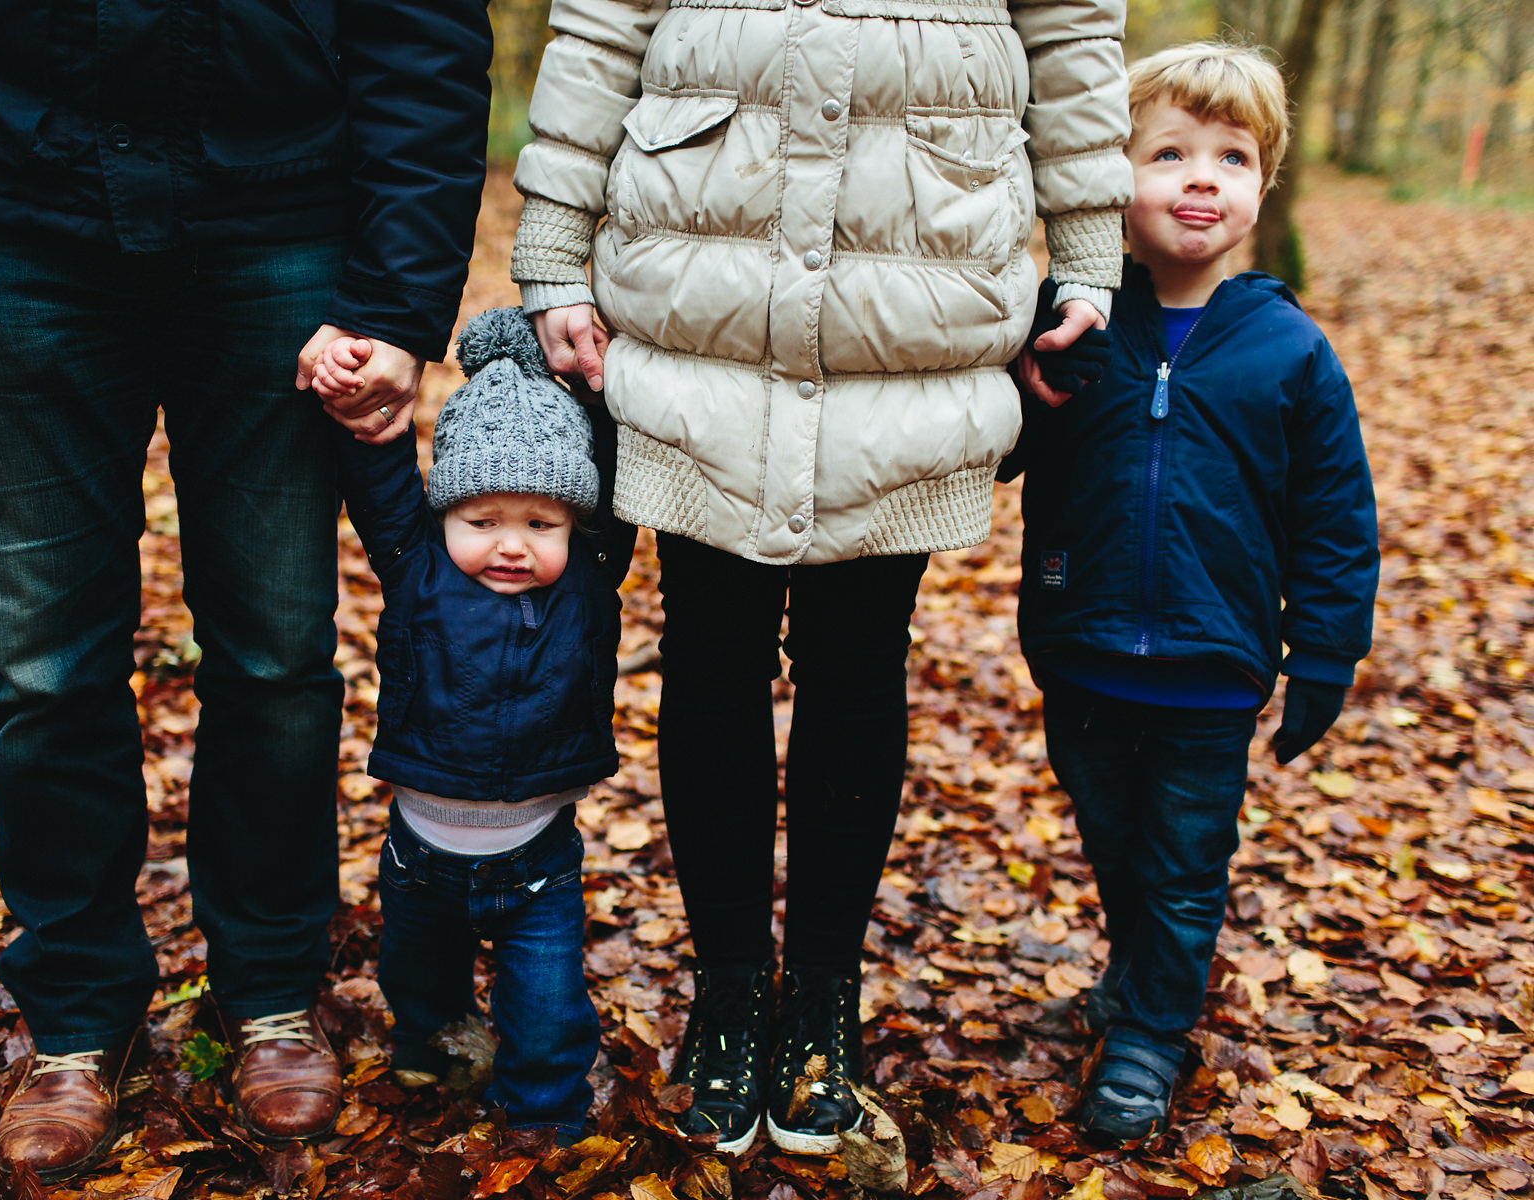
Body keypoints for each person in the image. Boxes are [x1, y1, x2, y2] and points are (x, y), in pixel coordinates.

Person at [0, 0, 491, 1181]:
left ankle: (271, 996)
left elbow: (424, 27)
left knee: (278, 655)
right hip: (8, 215)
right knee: (44, 667)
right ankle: (78, 1016)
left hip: (282, 214)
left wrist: (398, 295)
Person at [507, 0, 1136, 1156]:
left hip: (921, 286)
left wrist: (1092, 245)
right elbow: (601, 20)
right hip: (701, 272)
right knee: (709, 658)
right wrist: (553, 243)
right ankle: (733, 990)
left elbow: (1075, 29)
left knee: (856, 671)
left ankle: (822, 1005)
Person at [1003, 42, 1380, 1144]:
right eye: (1168, 153)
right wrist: (1027, 386)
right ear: (1114, 180)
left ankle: (1151, 1035)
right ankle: (1144, 977)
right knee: (1114, 841)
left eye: (1232, 156)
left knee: (1183, 864)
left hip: (1216, 666)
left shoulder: (1289, 351)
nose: (1200, 177)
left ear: (1263, 188)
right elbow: (993, 450)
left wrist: (1322, 654)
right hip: (1081, 645)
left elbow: (1335, 522)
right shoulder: (1075, 322)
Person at [311, 308, 628, 1144]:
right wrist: (370, 408)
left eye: (541, 524)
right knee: (417, 975)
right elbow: (382, 479)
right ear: (445, 515)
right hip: (420, 855)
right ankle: (431, 1044)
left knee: (548, 1003)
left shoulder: (589, 579)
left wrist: (595, 391)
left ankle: (541, 1116)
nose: (512, 546)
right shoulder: (416, 569)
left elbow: (613, 466)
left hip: (538, 863)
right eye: (482, 522)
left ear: (578, 526)